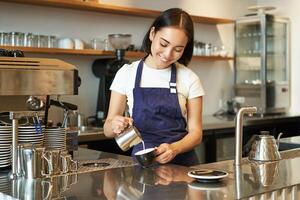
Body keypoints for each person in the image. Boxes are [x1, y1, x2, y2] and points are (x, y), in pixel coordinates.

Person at [104, 8, 205, 166]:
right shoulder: (126, 73)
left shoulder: (189, 78)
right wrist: (114, 124)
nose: (168, 54)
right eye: (164, 44)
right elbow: (107, 129)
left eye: (178, 49)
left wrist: (175, 148)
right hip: (141, 165)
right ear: (152, 34)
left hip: (181, 165)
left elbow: (196, 133)